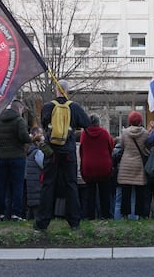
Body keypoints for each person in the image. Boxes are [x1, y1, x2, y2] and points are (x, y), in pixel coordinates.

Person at [35, 80, 90, 232]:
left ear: (56, 90)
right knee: (71, 185)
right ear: (68, 91)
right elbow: (86, 123)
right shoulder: (74, 107)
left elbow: (44, 124)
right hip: (68, 152)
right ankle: (74, 223)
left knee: (48, 185)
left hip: (52, 152)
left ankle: (42, 223)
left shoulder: (47, 106)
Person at [0, 99, 31, 222]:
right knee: (17, 186)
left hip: (2, 157)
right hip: (17, 157)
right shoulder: (19, 121)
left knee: (2, 186)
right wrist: (31, 137)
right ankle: (16, 214)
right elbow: (24, 137)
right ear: (19, 109)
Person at [79, 115, 114, 220]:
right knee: (105, 193)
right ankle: (105, 216)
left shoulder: (84, 134)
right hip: (104, 166)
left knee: (90, 193)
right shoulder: (104, 133)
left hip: (89, 166)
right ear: (99, 122)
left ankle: (90, 216)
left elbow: (82, 150)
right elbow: (111, 146)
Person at [117, 111, 150, 219]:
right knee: (140, 192)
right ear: (140, 121)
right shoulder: (145, 133)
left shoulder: (125, 133)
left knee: (125, 192)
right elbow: (147, 147)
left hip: (126, 164)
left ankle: (125, 215)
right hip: (139, 164)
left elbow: (121, 146)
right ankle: (140, 215)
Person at [24, 133, 45, 220]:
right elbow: (44, 165)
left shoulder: (30, 152)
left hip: (31, 180)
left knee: (31, 201)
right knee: (37, 200)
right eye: (42, 141)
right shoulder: (38, 152)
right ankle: (37, 219)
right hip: (37, 180)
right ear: (37, 142)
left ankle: (28, 218)